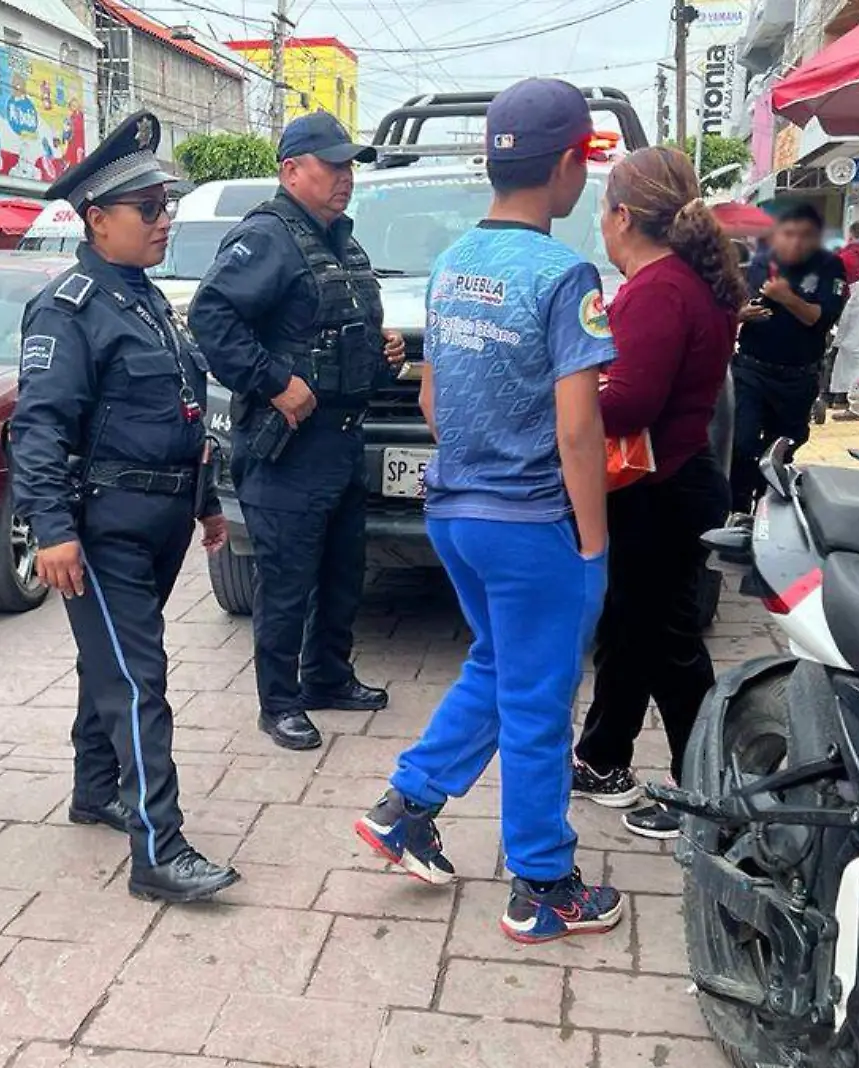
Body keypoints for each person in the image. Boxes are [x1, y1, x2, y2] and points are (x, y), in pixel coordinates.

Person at [352, 79, 623, 944]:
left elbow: (434, 400)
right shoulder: (563, 273)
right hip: (530, 524)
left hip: (455, 511)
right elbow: (580, 430)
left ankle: (409, 805)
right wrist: (593, 539)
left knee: (500, 669)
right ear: (572, 165)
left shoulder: (450, 265)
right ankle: (544, 884)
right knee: (542, 702)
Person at [9, 110, 241, 904]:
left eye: (166, 206)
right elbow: (38, 427)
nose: (165, 220)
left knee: (108, 665)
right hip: (105, 526)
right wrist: (52, 530)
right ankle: (159, 850)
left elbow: (180, 410)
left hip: (162, 519)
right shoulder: (68, 309)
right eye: (150, 209)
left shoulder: (141, 299)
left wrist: (207, 502)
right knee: (138, 679)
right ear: (97, 219)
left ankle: (94, 788)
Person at [189, 111, 406, 752]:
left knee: (343, 571)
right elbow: (212, 314)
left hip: (341, 439)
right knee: (286, 581)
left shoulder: (341, 238)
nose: (346, 178)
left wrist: (382, 349)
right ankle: (279, 702)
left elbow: (333, 322)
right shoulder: (269, 237)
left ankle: (328, 678)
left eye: (349, 167)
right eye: (332, 166)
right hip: (290, 445)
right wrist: (273, 381)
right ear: (291, 171)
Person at [569, 147, 743, 841]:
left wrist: (568, 401)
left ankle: (704, 790)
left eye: (602, 213)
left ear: (623, 216)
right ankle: (604, 757)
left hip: (657, 487)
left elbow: (630, 402)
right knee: (633, 630)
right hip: (673, 479)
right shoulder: (679, 282)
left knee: (665, 642)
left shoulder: (659, 290)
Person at [729, 201, 848, 512]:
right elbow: (731, 308)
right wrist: (740, 314)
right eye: (789, 233)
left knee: (783, 450)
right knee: (741, 445)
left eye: (805, 234)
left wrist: (787, 297)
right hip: (752, 370)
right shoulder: (760, 264)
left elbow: (818, 319)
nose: (796, 241)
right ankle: (738, 512)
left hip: (798, 376)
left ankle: (769, 508)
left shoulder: (830, 267)